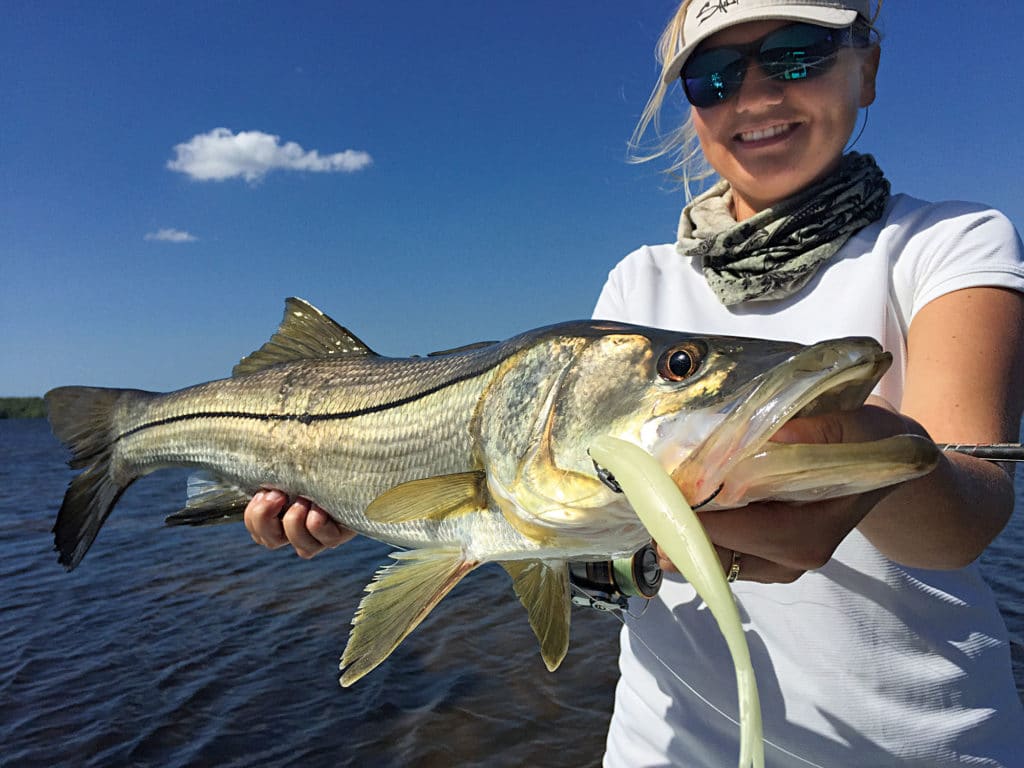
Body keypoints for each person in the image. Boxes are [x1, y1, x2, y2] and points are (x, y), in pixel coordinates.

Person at [245, 1, 1024, 764]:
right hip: (666, 742)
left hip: (925, 743)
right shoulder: (637, 284)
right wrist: (373, 497)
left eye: (796, 53)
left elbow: (969, 517)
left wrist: (886, 456)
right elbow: (584, 544)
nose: (754, 94)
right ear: (690, 107)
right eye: (713, 75)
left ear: (869, 67)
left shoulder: (948, 243)